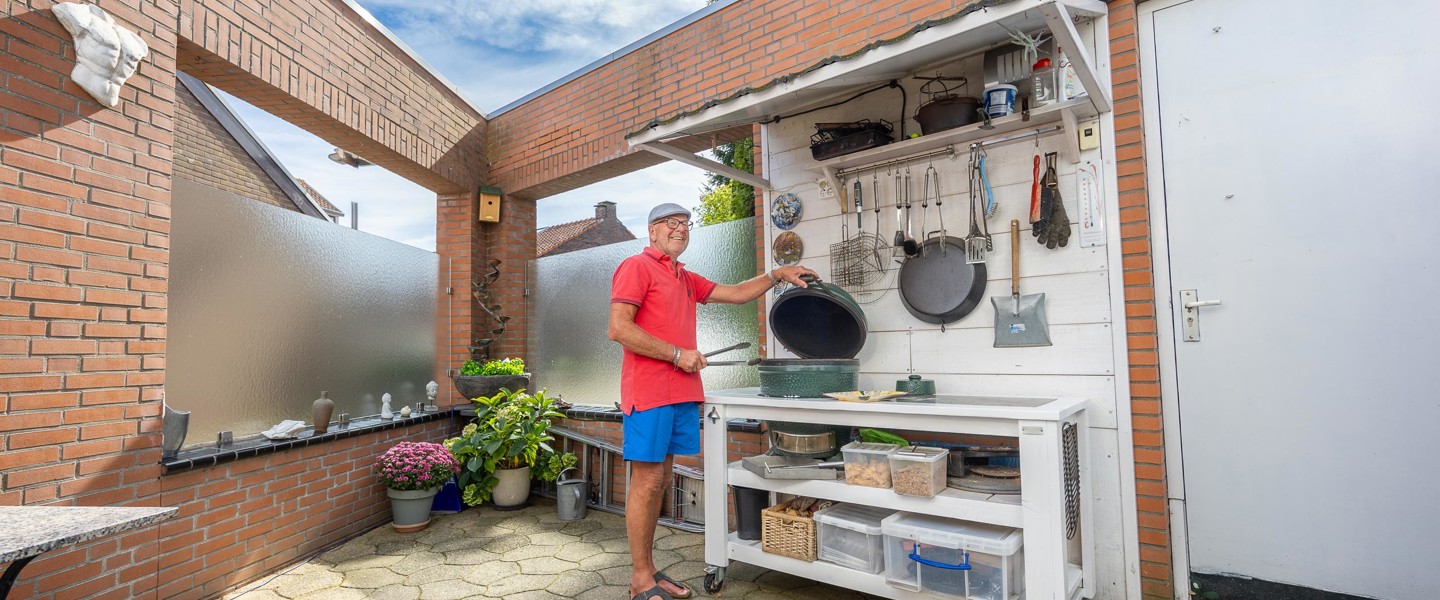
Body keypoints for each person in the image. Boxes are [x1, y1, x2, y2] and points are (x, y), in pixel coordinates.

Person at [609, 203, 816, 600]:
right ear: (651, 232)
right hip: (650, 391)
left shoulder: (684, 277)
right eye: (671, 223)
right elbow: (618, 328)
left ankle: (650, 570)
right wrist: (675, 353)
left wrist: (777, 275)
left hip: (682, 391)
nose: (680, 229)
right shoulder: (637, 266)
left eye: (686, 224)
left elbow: (736, 294)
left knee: (661, 480)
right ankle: (639, 580)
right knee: (648, 480)